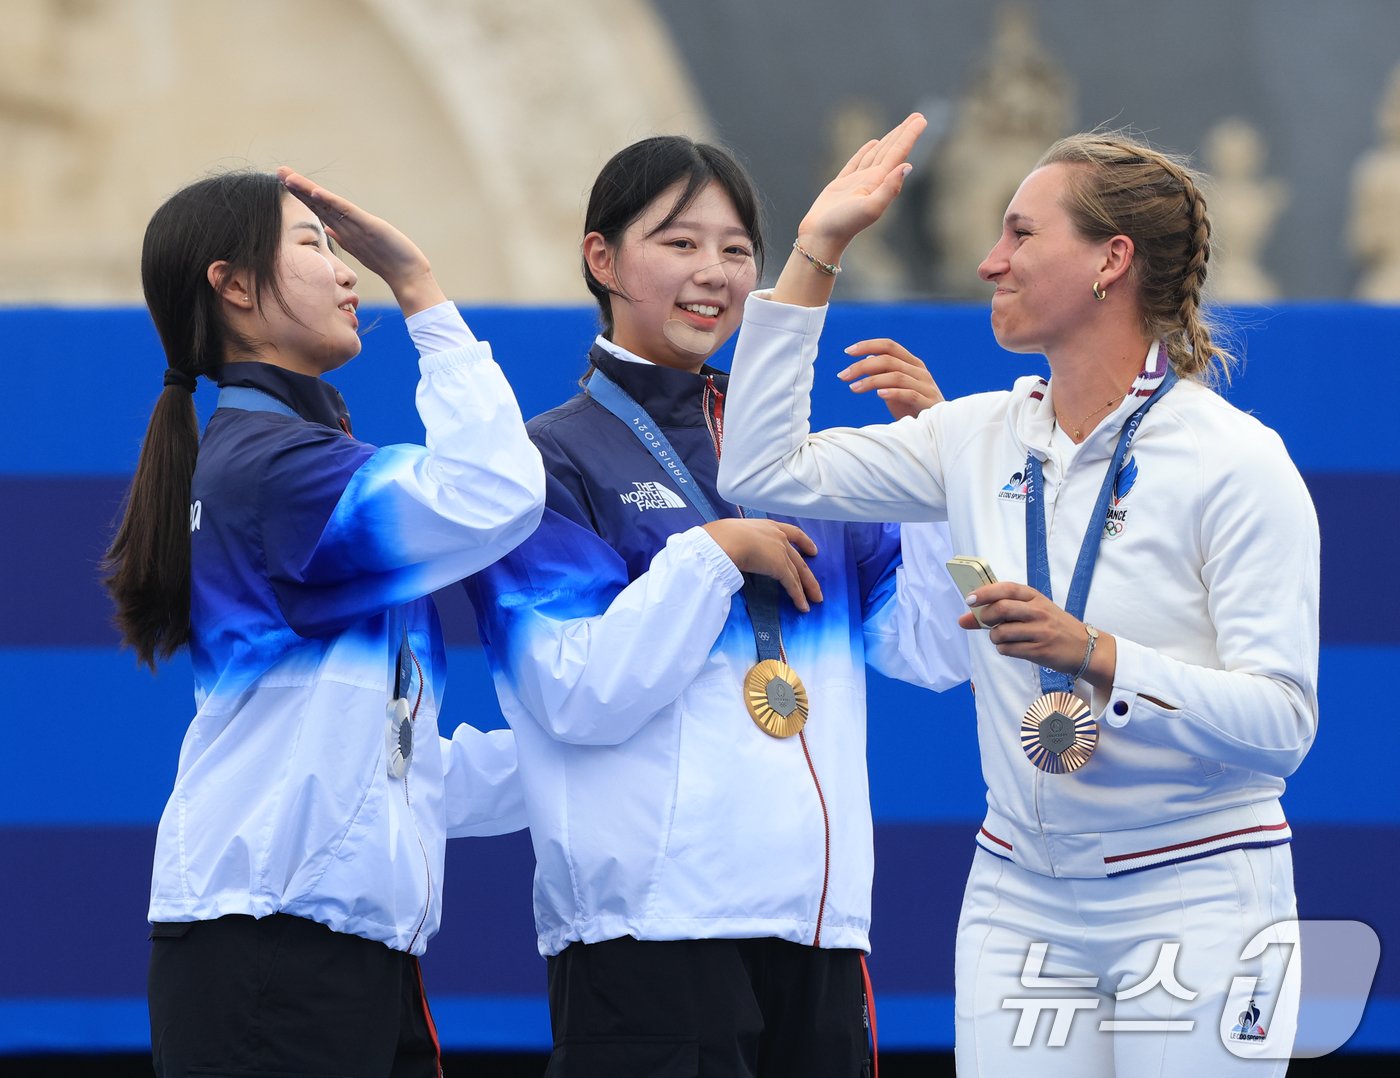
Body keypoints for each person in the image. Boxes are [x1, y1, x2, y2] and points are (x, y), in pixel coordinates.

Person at [717, 115, 1318, 1076]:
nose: (991, 262)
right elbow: (760, 465)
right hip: (1019, 892)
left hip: (1200, 891)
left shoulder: (1237, 462)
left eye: (1022, 234)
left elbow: (1283, 724)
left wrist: (1095, 652)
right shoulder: (977, 436)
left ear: (1109, 261)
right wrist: (818, 249)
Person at [462, 135, 969, 1077]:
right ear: (602, 259)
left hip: (817, 927)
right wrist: (712, 553)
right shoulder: (550, 462)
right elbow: (576, 695)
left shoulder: (801, 462)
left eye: (737, 250)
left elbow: (933, 654)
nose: (715, 274)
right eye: (681, 244)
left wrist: (937, 479)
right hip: (649, 931)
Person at [102, 167, 546, 1077]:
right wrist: (420, 287)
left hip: (331, 950)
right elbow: (497, 494)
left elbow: (396, 767)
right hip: (274, 954)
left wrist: (601, 752)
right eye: (314, 246)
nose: (350, 275)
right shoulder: (274, 468)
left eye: (345, 254)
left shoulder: (282, 458)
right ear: (231, 285)